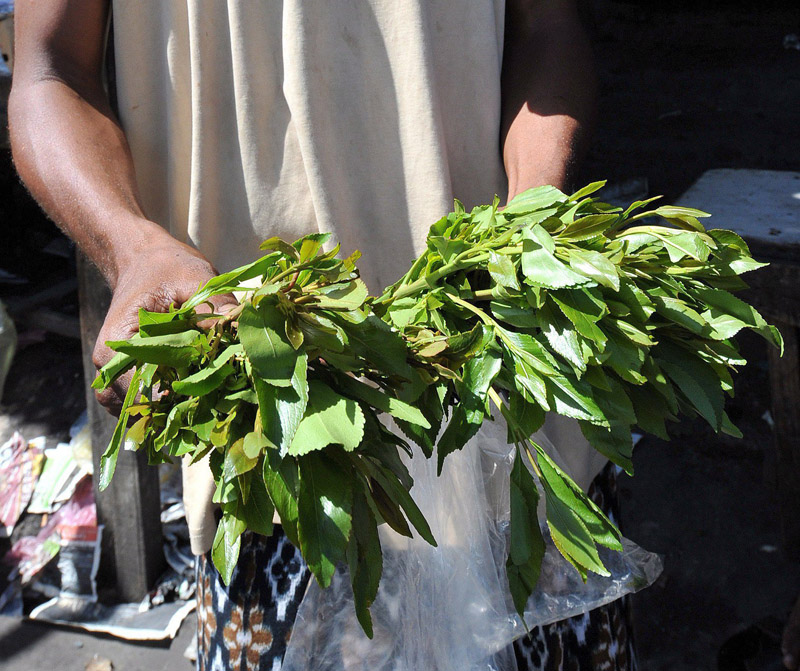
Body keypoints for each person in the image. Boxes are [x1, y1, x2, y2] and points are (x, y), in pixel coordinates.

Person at [9, 0, 636, 668]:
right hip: (278, 454)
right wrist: (132, 250)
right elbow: (51, 70)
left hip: (504, 411)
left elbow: (548, 28)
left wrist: (527, 222)